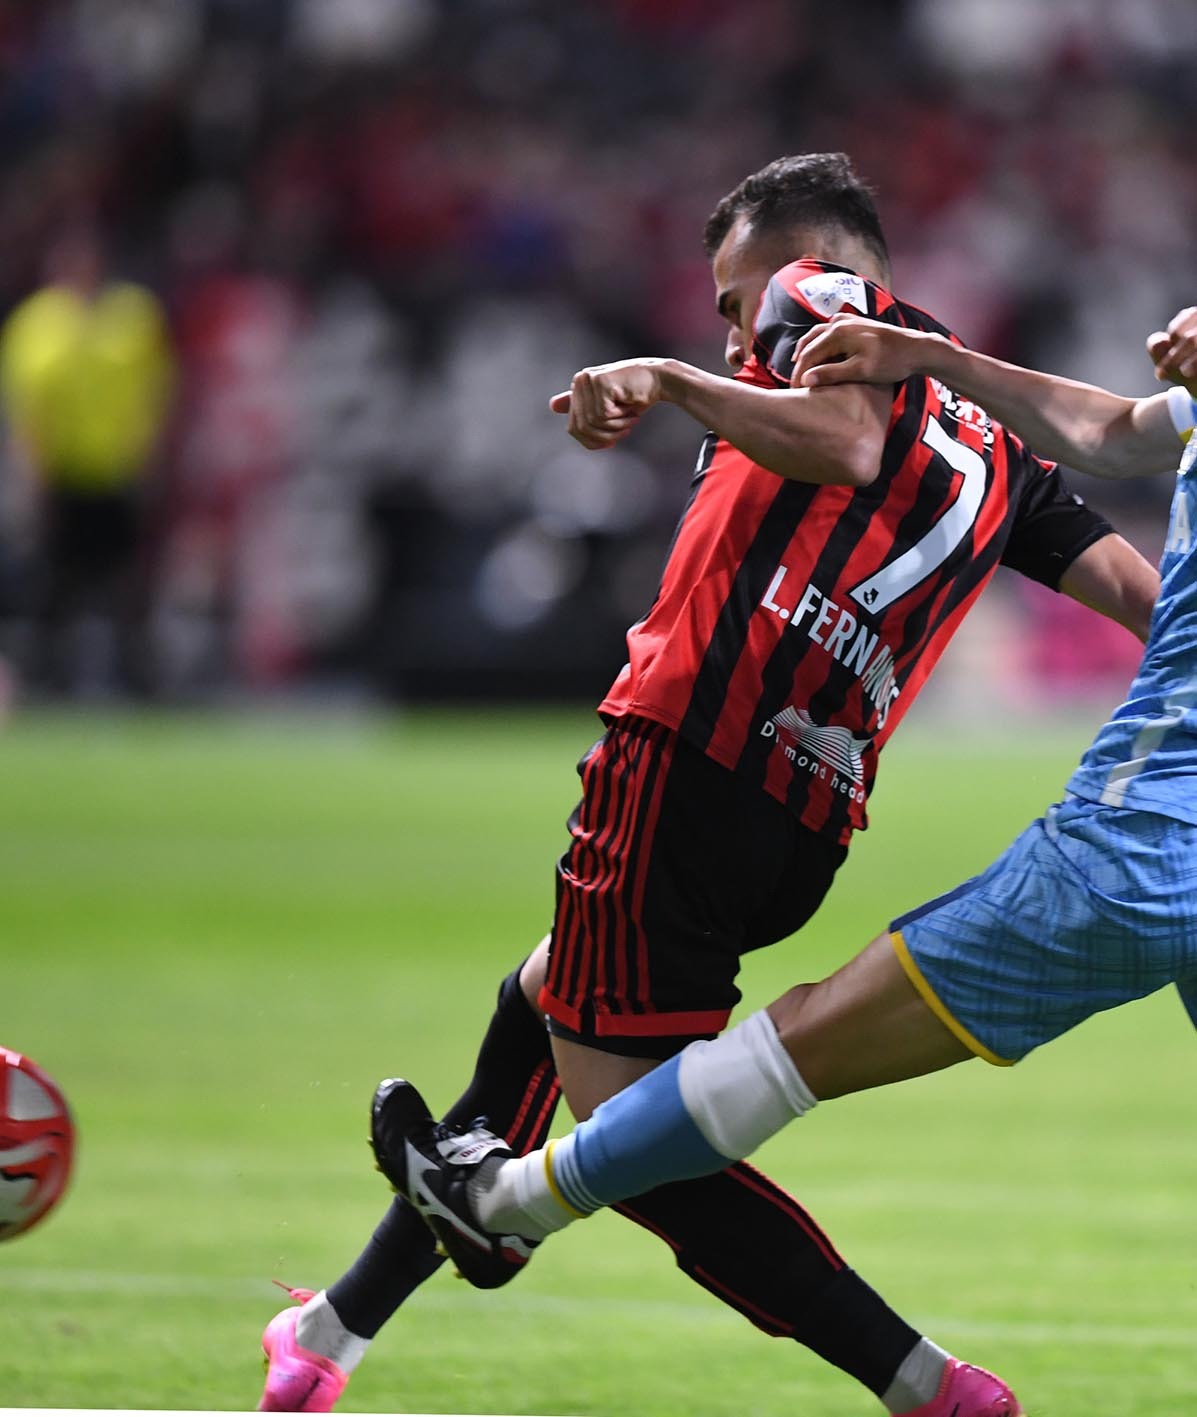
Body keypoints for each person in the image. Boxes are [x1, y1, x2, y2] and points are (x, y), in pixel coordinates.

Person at [258, 153, 1167, 1417]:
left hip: (685, 754)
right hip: (806, 816)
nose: (743, 337)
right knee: (548, 999)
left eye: (736, 304)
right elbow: (1148, 600)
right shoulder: (990, 432)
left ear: (816, 263)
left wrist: (675, 379)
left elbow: (844, 442)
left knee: (635, 1137)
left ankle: (931, 1387)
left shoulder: (816, 296)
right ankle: (328, 1334)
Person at [0, 221, 175, 697]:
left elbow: (157, 391)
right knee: (55, 586)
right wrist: (30, 476)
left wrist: (151, 459)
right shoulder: (35, 326)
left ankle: (138, 680)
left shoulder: (134, 316)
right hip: (62, 475)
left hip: (117, 474)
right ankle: (46, 679)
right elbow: (25, 409)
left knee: (128, 586)